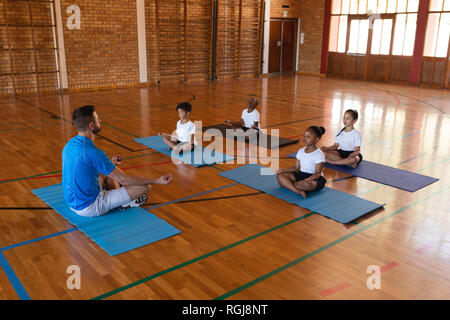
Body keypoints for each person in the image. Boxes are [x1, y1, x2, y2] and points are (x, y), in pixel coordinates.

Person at [62, 105, 172, 217]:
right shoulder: (93, 152)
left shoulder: (69, 145)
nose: (99, 120)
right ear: (91, 125)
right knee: (145, 186)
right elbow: (124, 180)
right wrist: (157, 180)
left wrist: (112, 164)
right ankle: (125, 204)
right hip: (90, 207)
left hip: (72, 203)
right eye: (97, 119)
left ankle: (110, 191)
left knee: (110, 178)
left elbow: (87, 167)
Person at [276, 126, 327, 199]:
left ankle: (289, 185)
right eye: (304, 136)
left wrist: (310, 179)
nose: (305, 139)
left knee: (301, 184)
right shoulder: (300, 151)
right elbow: (295, 167)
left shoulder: (319, 154)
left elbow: (317, 173)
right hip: (301, 175)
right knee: (280, 176)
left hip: (314, 178)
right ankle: (298, 191)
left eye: (308, 137)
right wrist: (282, 170)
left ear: (316, 139)